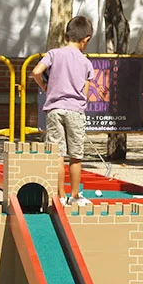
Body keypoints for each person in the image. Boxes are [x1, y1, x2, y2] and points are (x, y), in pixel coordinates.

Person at [33, 16, 95, 206]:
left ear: (66, 35)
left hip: (54, 108)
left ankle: (59, 196)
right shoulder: (86, 62)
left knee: (57, 153)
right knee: (75, 156)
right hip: (75, 110)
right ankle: (75, 195)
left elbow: (36, 71)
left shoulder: (53, 54)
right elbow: (85, 91)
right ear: (86, 39)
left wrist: (45, 86)